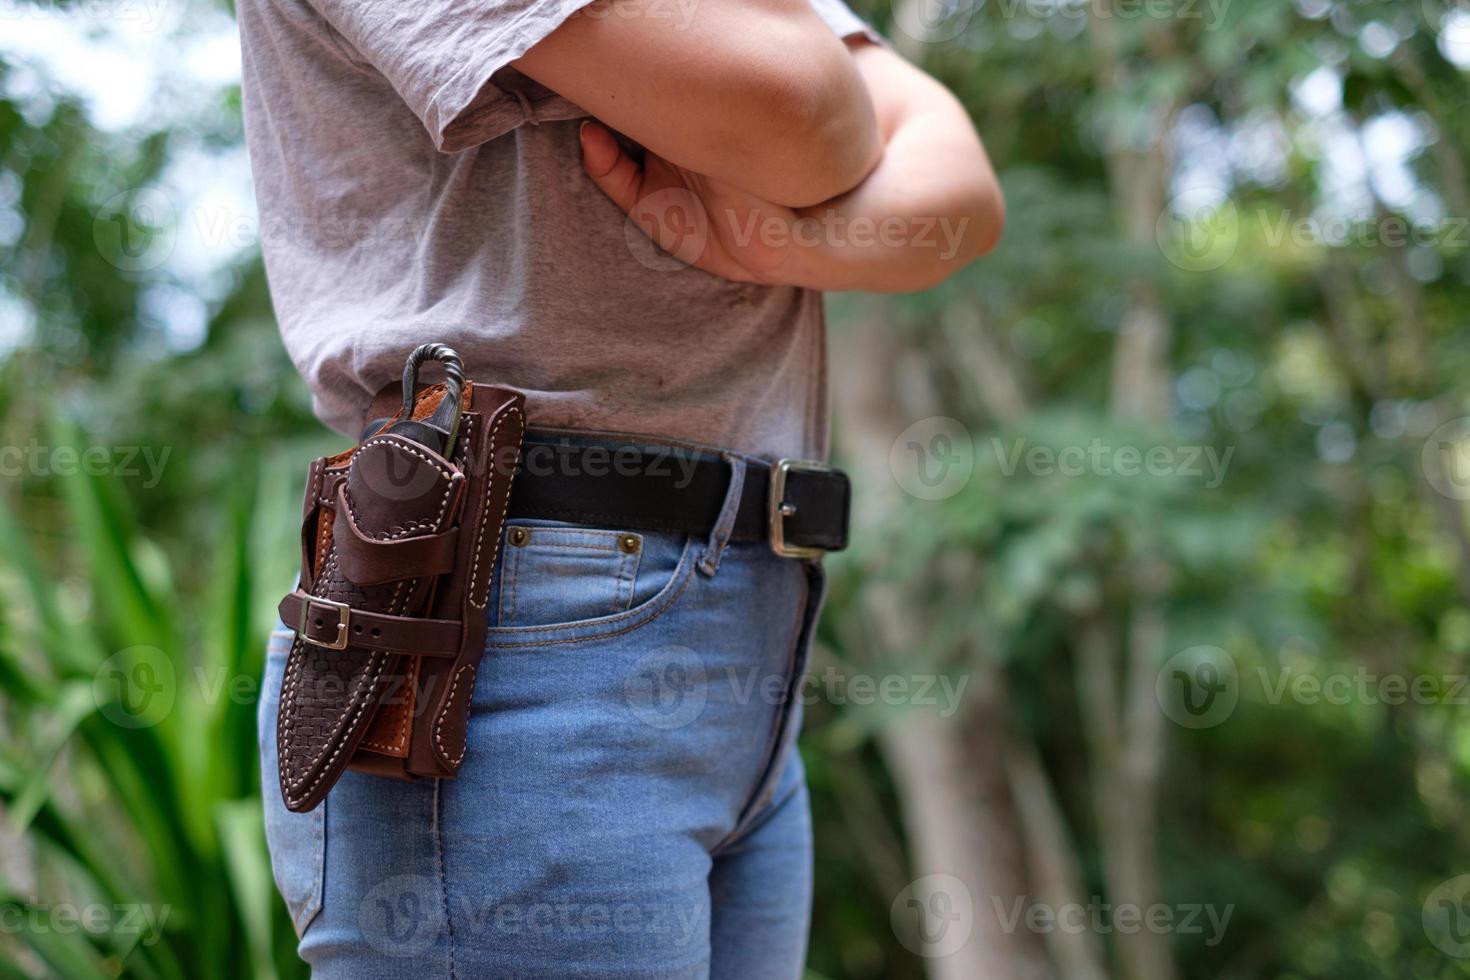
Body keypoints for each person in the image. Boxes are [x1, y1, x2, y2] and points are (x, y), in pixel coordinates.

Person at [237, 0, 1002, 975]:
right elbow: (797, 105)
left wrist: (771, 242)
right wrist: (816, 174)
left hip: (743, 635)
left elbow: (959, 185)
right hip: (509, 634)